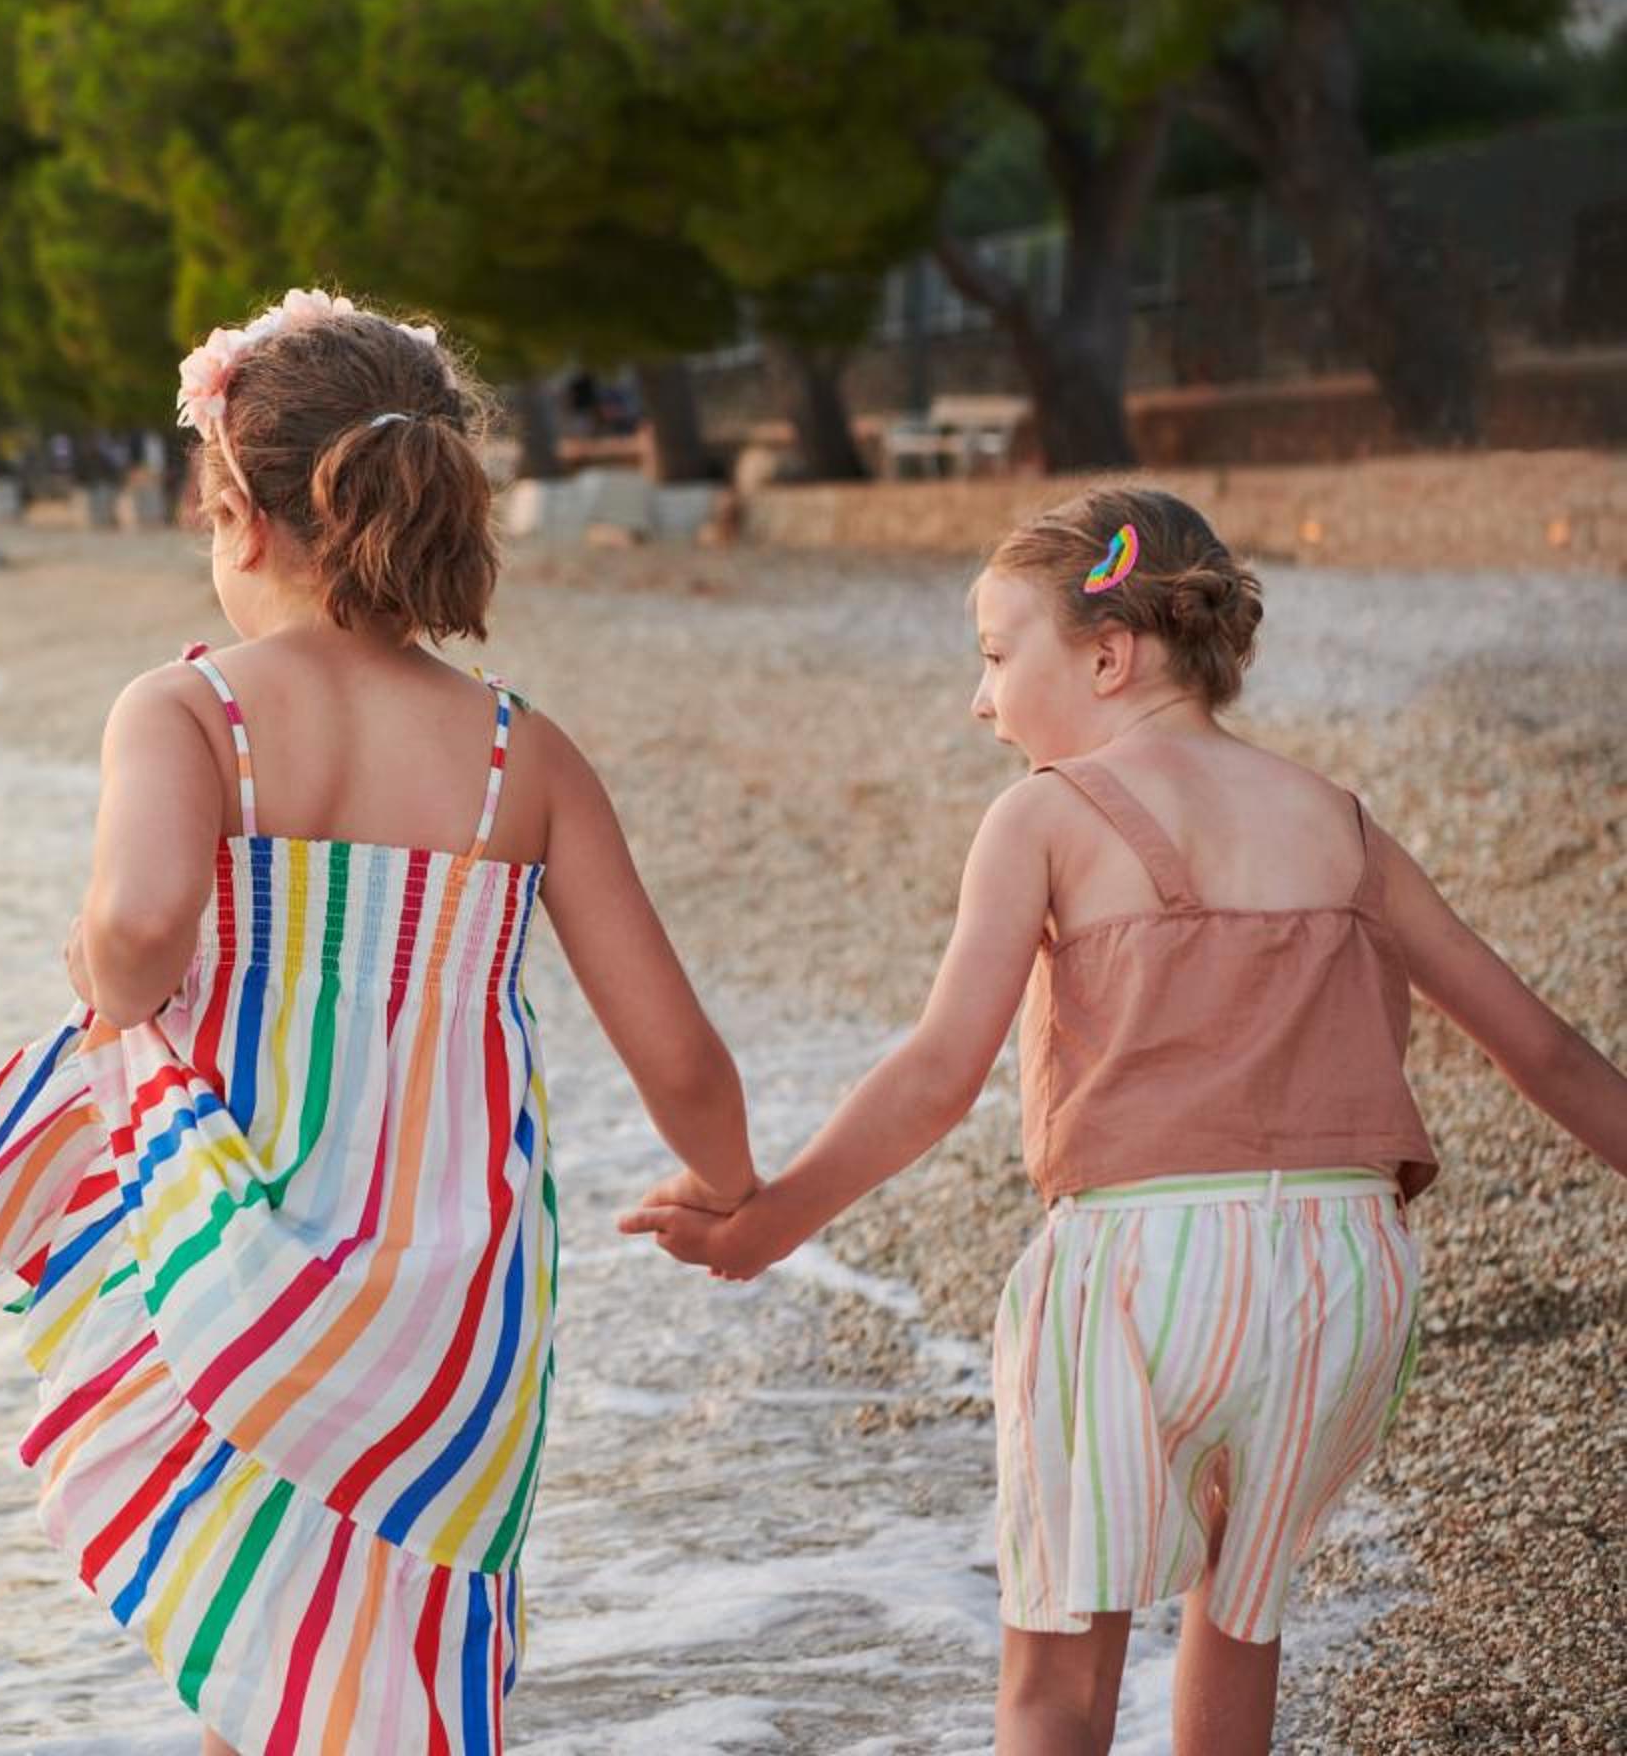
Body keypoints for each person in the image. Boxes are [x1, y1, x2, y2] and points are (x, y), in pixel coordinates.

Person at [623, 487, 1627, 1756]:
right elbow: (1542, 1047)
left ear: (1108, 657)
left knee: (1057, 1674)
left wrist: (768, 1222)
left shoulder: (1045, 814)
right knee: (1240, 1609)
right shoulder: (1340, 820)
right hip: (1343, 1275)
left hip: (1143, 1269)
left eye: (997, 655)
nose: (980, 699)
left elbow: (939, 1071)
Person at [0, 288, 753, 1753]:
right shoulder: (521, 754)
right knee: (389, 1660)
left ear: (238, 517)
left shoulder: (190, 712)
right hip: (455, 1307)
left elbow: (141, 930)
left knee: (260, 1649)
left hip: (242, 1263)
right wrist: (732, 1191)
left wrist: (100, 969)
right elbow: (677, 1053)